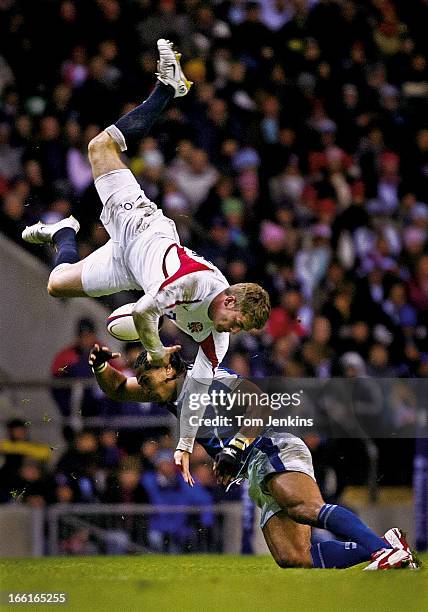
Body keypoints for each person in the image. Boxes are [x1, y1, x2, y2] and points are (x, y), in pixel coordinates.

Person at [22, 39, 271, 466]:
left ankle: (65, 230)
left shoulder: (218, 341)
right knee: (100, 147)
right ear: (229, 299)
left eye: (241, 328)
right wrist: (154, 353)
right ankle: (168, 90)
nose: (233, 329)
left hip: (130, 269)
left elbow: (194, 393)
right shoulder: (198, 282)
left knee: (55, 285)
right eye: (237, 320)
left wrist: (184, 444)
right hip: (141, 227)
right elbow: (142, 316)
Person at [87, 343, 419, 570]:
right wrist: (102, 366)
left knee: (303, 507)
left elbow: (258, 403)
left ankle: (383, 551)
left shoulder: (209, 380)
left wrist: (234, 449)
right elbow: (116, 388)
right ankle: (385, 544)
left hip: (271, 446)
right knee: (293, 556)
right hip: (253, 469)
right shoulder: (170, 392)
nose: (143, 385)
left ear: (171, 368)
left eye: (147, 378)